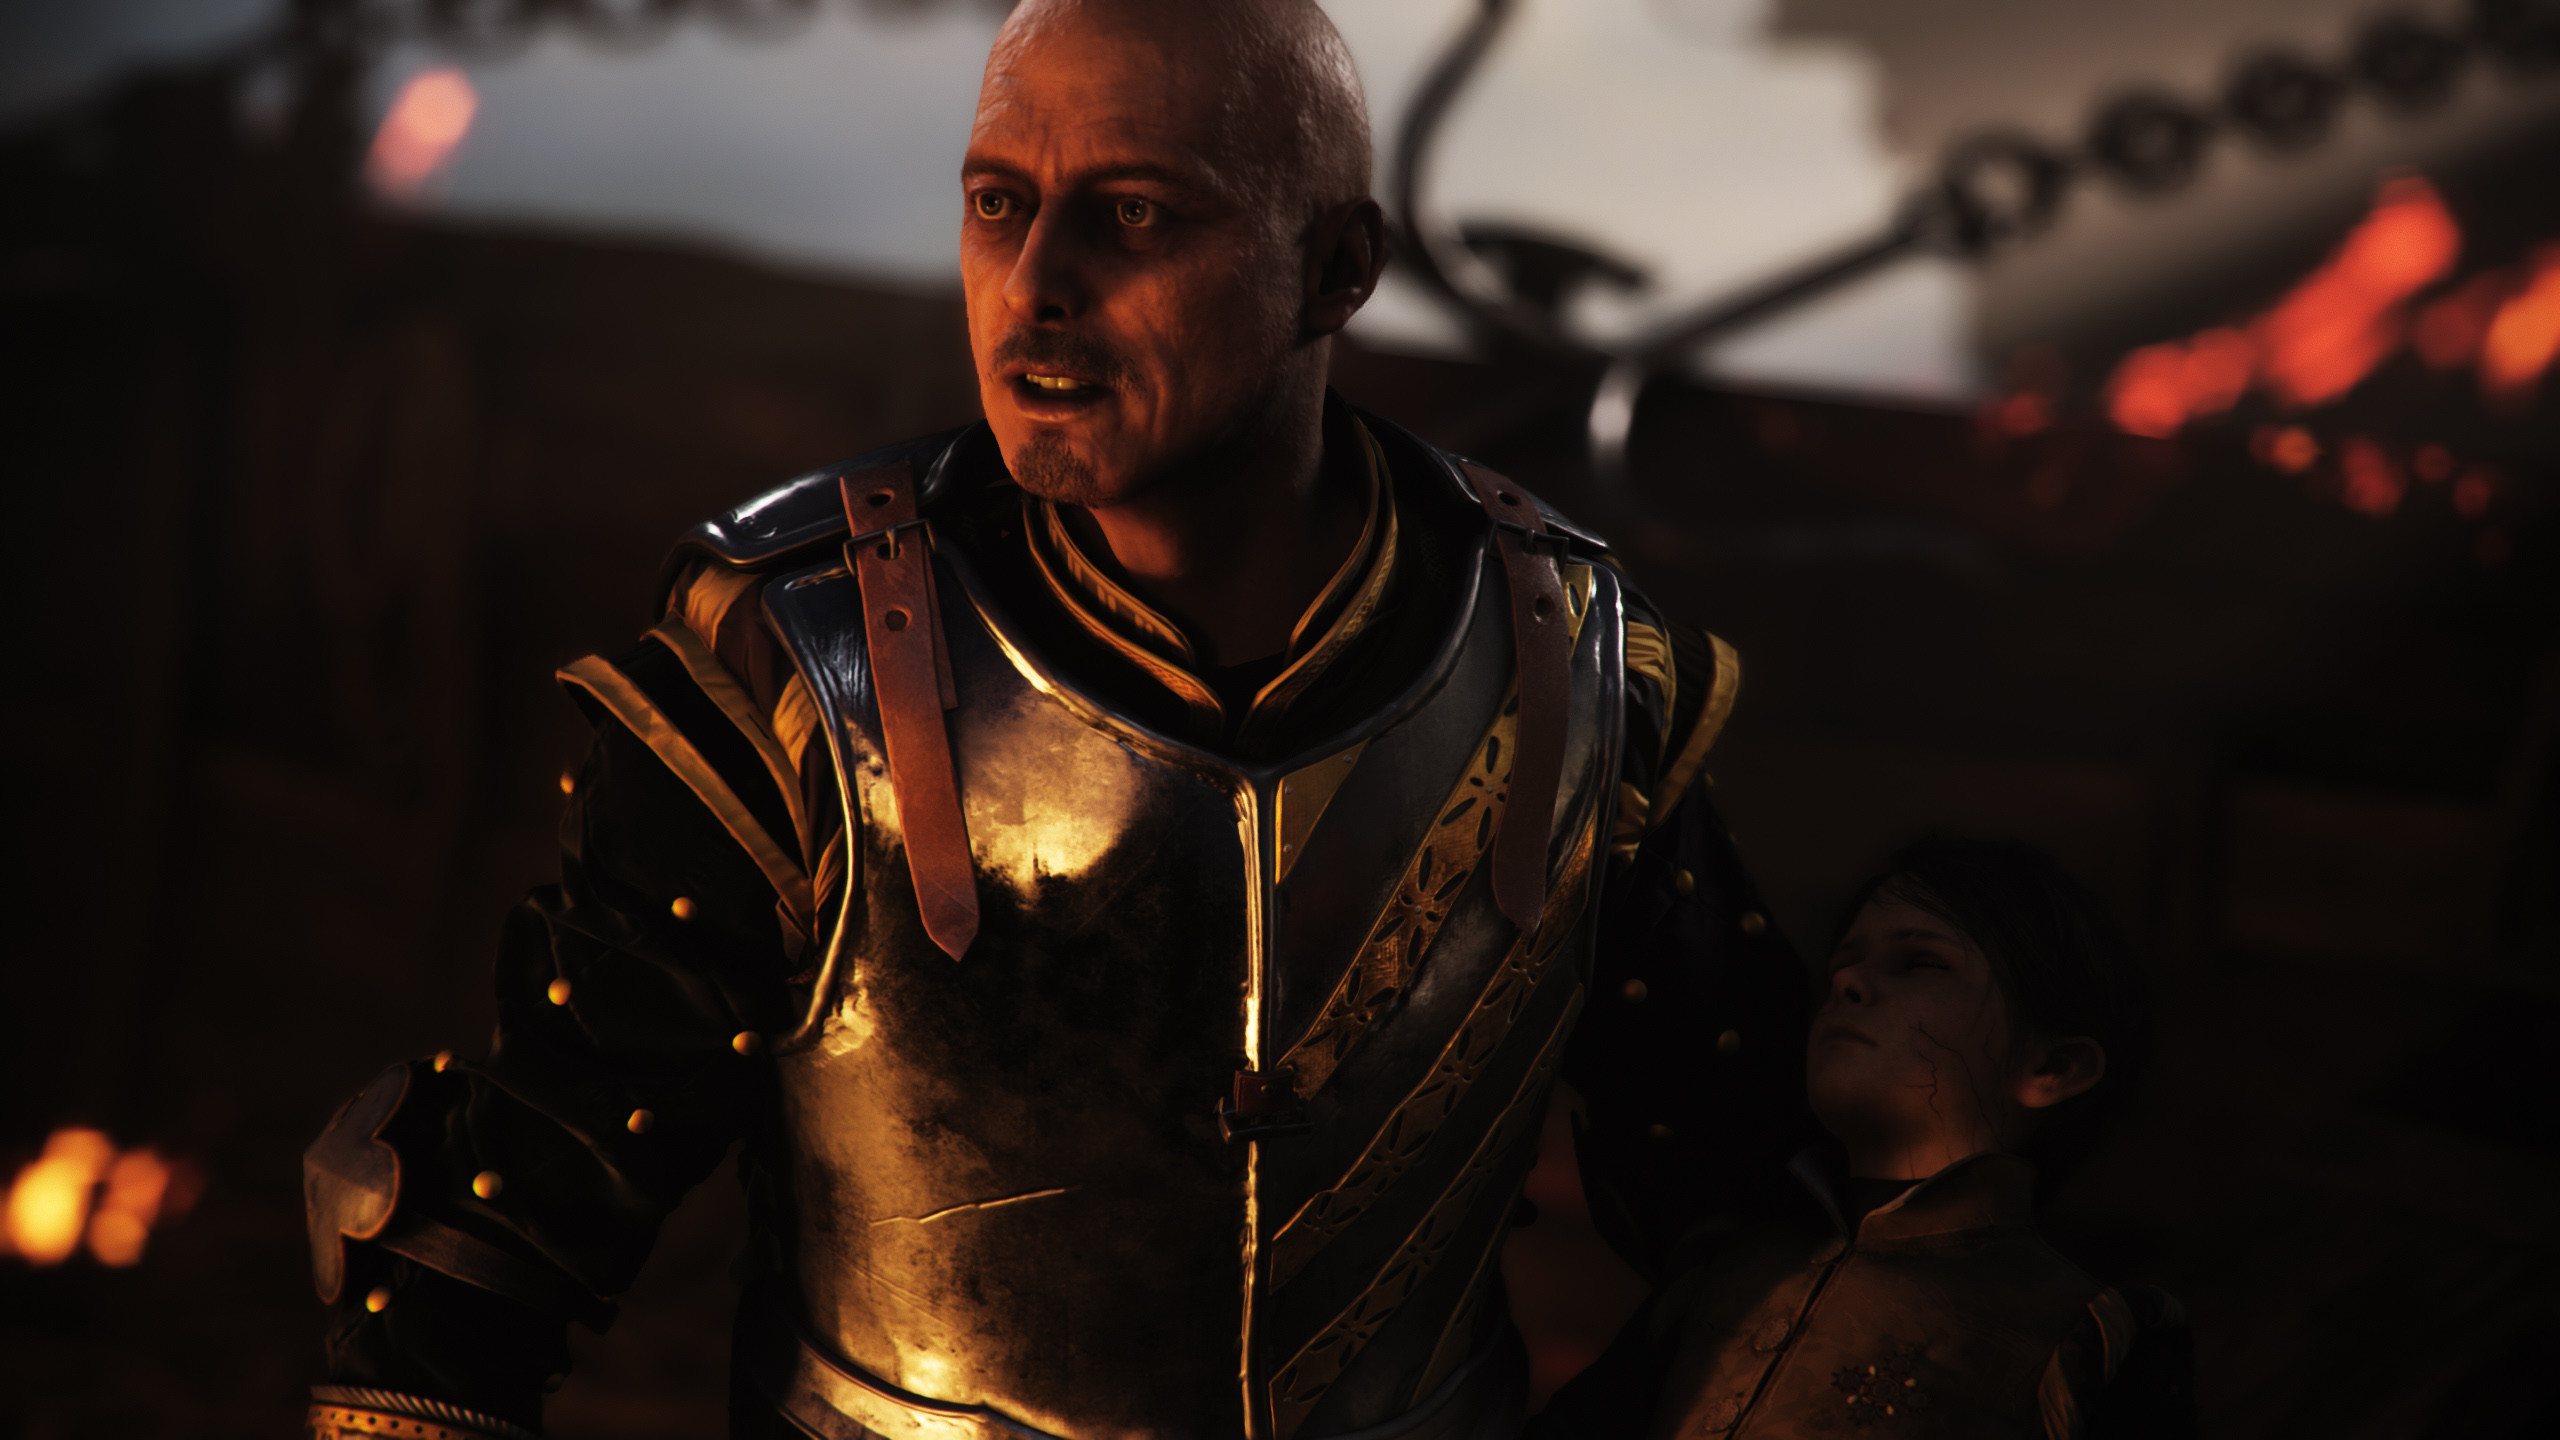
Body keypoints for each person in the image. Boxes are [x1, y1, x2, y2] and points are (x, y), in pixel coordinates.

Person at [298, 3, 1811, 1438]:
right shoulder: (797, 665)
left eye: (1135, 214)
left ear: (1338, 267)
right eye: (999, 205)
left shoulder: (1573, 671)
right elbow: (481, 1262)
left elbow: (1767, 1226)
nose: (1033, 288)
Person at [1528, 836, 2196, 1439]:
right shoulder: (1722, 1263)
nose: (1847, 981)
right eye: (1842, 965)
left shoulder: (2080, 1332)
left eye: (1920, 963)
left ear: (2051, 1067)